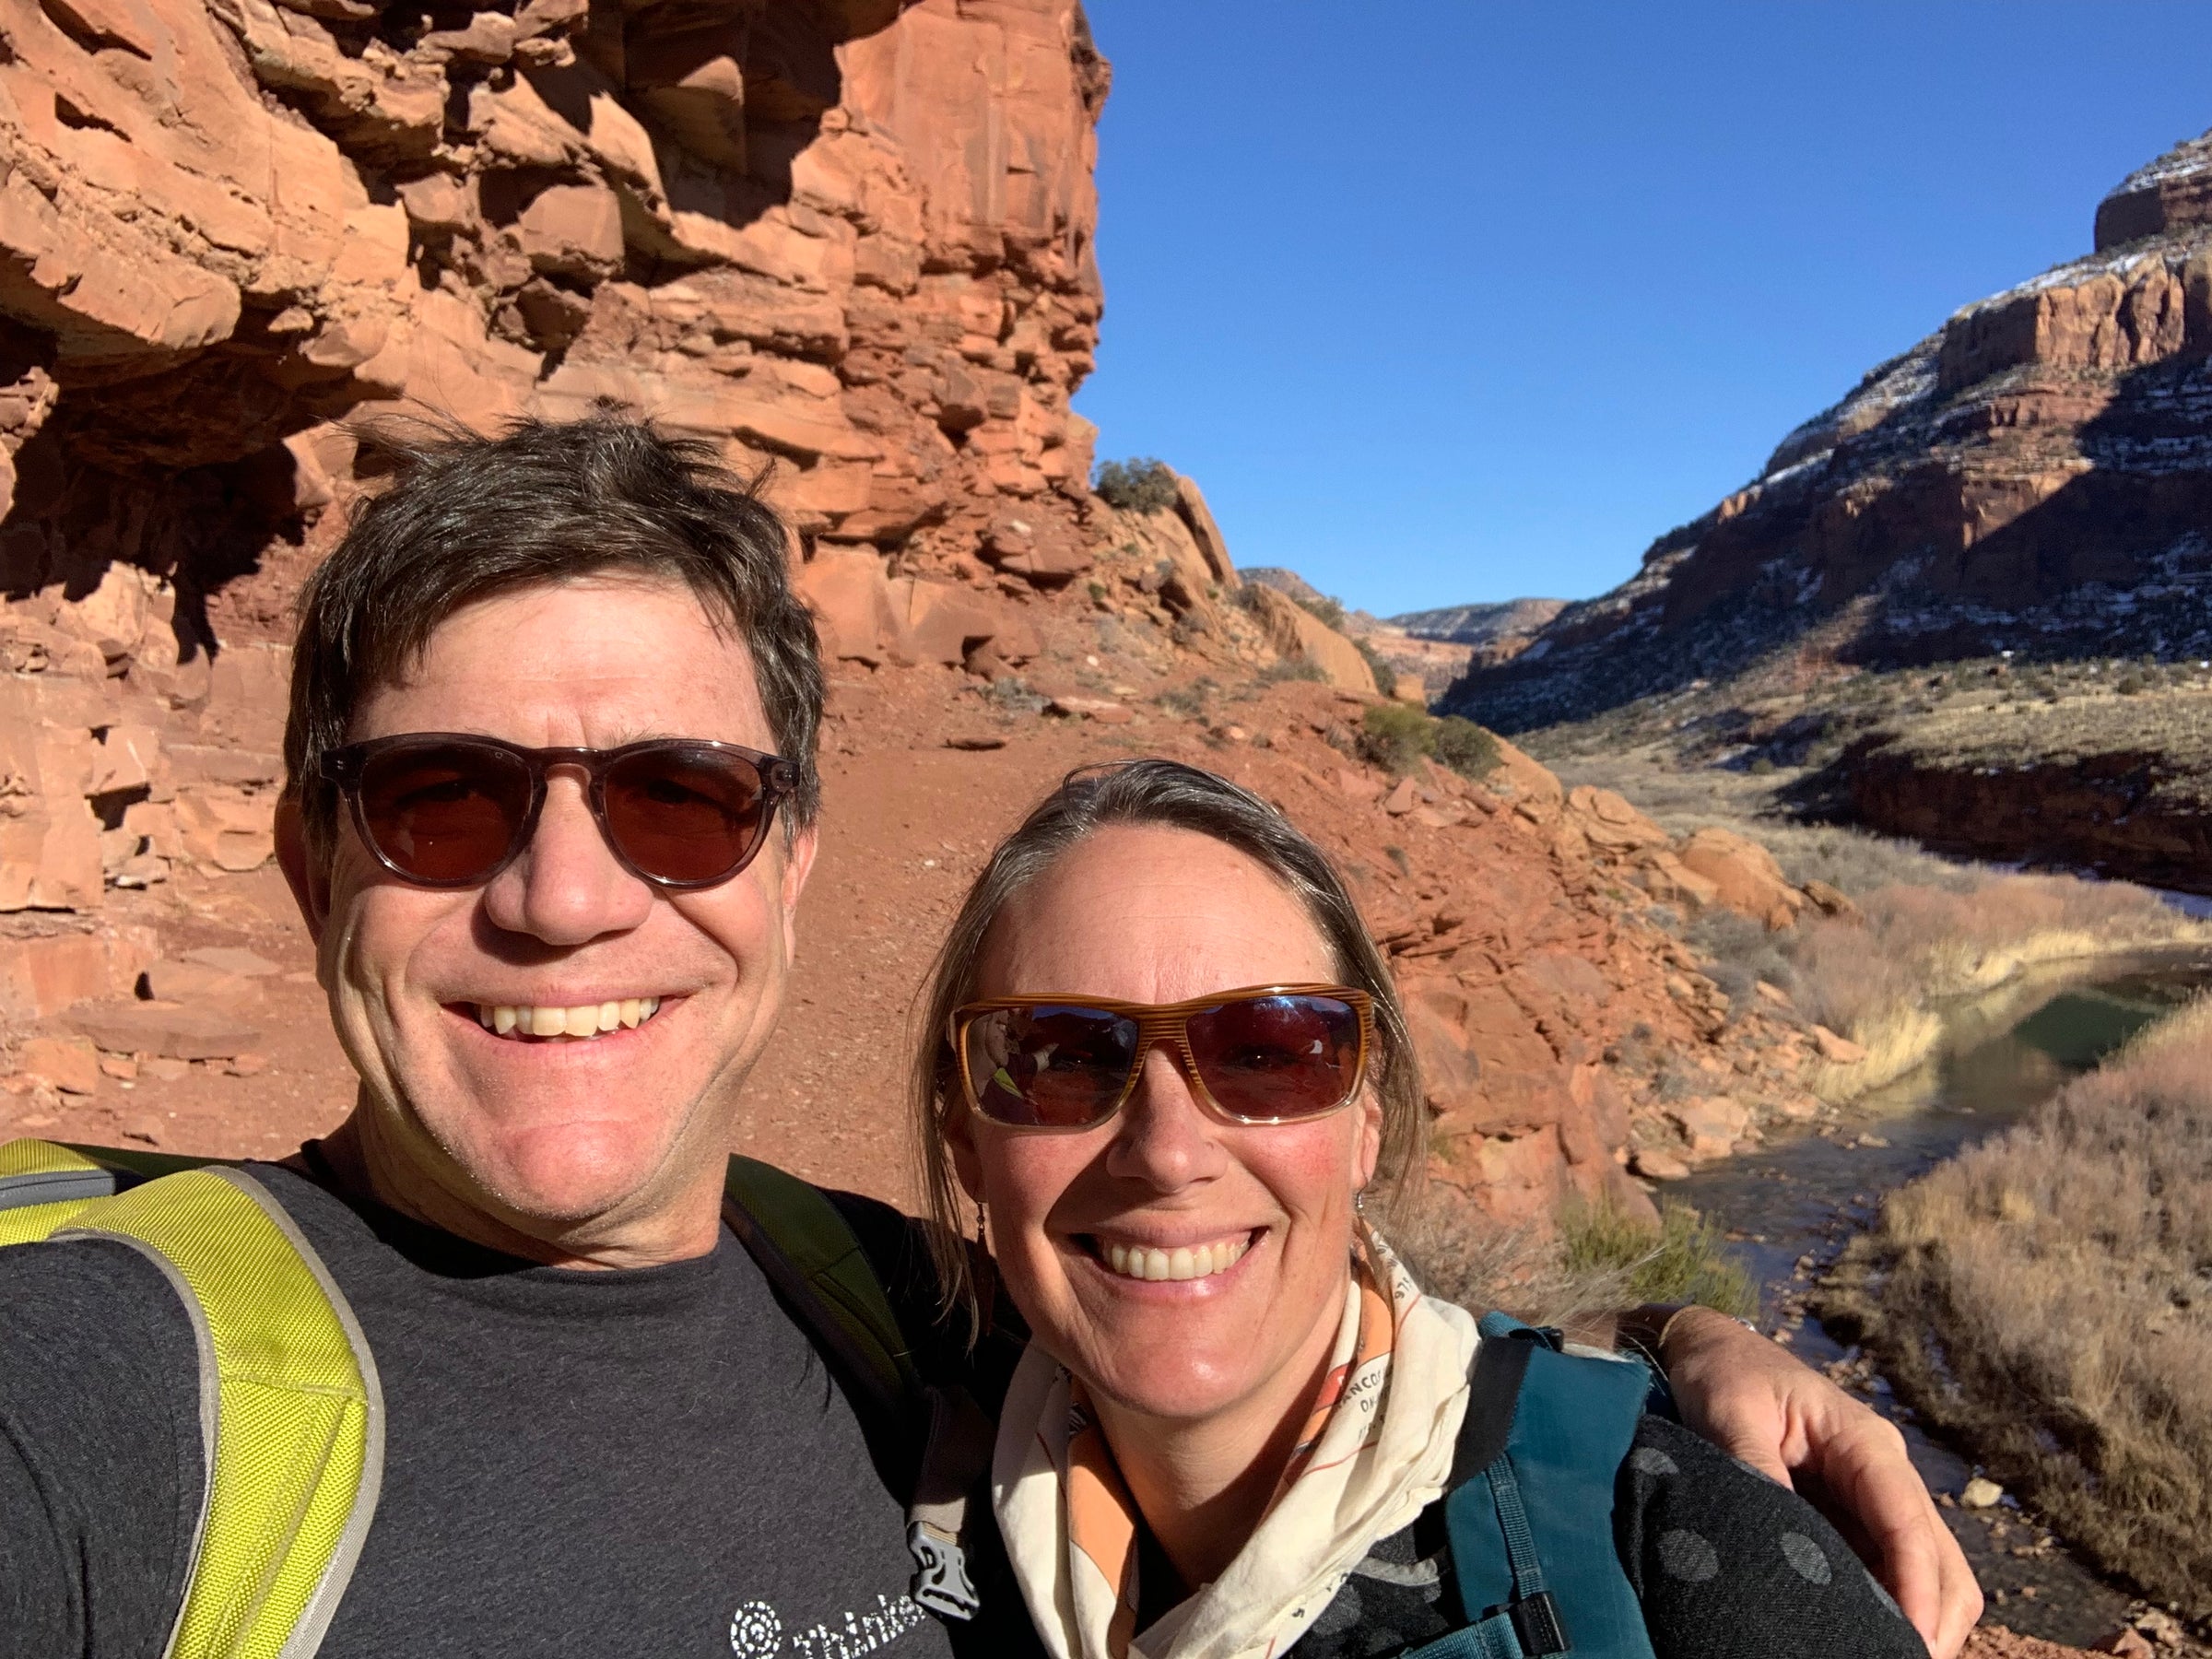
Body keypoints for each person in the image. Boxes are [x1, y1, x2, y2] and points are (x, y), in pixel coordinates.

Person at [0, 416, 1977, 1658]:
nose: (562, 896)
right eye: (443, 797)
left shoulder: (888, 1308)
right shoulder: (100, 1401)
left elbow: (1246, 1318)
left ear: (783, 870)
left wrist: (1680, 1353)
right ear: (300, 861)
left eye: (677, 797)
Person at [914, 758, 1962, 1659]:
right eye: (1057, 1058)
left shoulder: (1682, 1557)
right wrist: (1680, 1330)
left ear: (1366, 1121)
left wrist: (1679, 1339)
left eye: (1268, 1055)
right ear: (964, 1137)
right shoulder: (887, 1430)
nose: (1169, 1151)